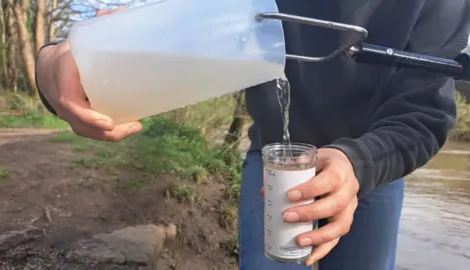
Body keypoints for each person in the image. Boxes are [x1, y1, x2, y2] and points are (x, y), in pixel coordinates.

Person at [35, 1, 470, 269]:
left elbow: (424, 111)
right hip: (274, 160)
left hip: (376, 164)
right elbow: (156, 18)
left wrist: (360, 164)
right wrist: (59, 56)